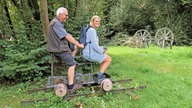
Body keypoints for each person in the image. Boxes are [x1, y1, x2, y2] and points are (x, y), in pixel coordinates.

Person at [47, 7, 84, 92]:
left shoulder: (57, 23)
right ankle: (71, 87)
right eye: (66, 15)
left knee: (75, 47)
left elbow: (66, 36)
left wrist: (76, 44)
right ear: (60, 15)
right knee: (72, 65)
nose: (67, 17)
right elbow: (66, 36)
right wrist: (78, 44)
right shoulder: (55, 23)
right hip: (58, 49)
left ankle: (71, 59)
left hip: (59, 47)